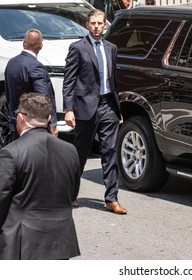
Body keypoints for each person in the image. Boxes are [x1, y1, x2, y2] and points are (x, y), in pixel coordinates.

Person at [0, 92, 80, 260]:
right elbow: (72, 194)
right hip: (61, 242)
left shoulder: (10, 153)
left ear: (21, 117)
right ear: (49, 118)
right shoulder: (70, 150)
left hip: (22, 244)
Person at [63, 9, 127, 214]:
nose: (97, 26)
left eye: (100, 23)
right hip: (85, 106)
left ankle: (111, 198)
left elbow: (113, 80)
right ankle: (71, 194)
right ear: (87, 24)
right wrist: (68, 109)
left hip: (108, 104)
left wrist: (117, 109)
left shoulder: (112, 48)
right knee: (81, 152)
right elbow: (69, 80)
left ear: (105, 24)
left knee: (110, 151)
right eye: (93, 23)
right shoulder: (77, 48)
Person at [4, 29, 58, 140]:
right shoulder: (36, 67)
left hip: (16, 122)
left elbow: (8, 92)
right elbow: (44, 98)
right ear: (41, 46)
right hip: (34, 125)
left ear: (23, 43)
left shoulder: (11, 63)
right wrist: (52, 123)